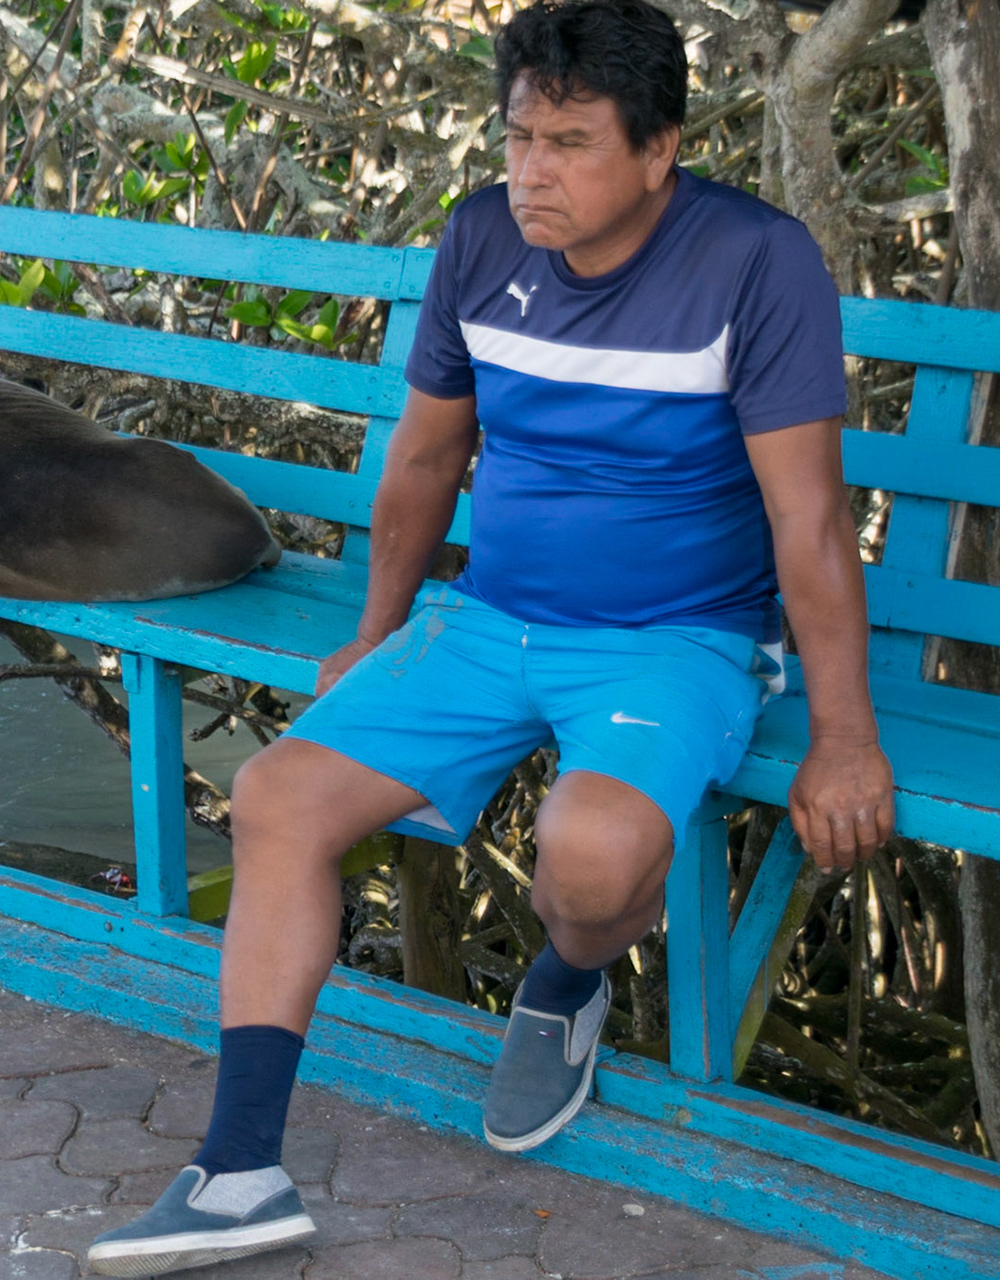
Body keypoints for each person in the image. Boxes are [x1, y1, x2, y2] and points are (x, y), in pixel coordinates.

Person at [84, 1, 895, 1274]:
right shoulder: (479, 241)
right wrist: (376, 633)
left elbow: (809, 518)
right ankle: (240, 1171)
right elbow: (422, 459)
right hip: (486, 619)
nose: (532, 172)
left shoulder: (756, 262)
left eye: (570, 142)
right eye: (519, 137)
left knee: (587, 855)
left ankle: (567, 985)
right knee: (278, 795)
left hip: (672, 640)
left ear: (661, 146)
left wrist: (844, 736)